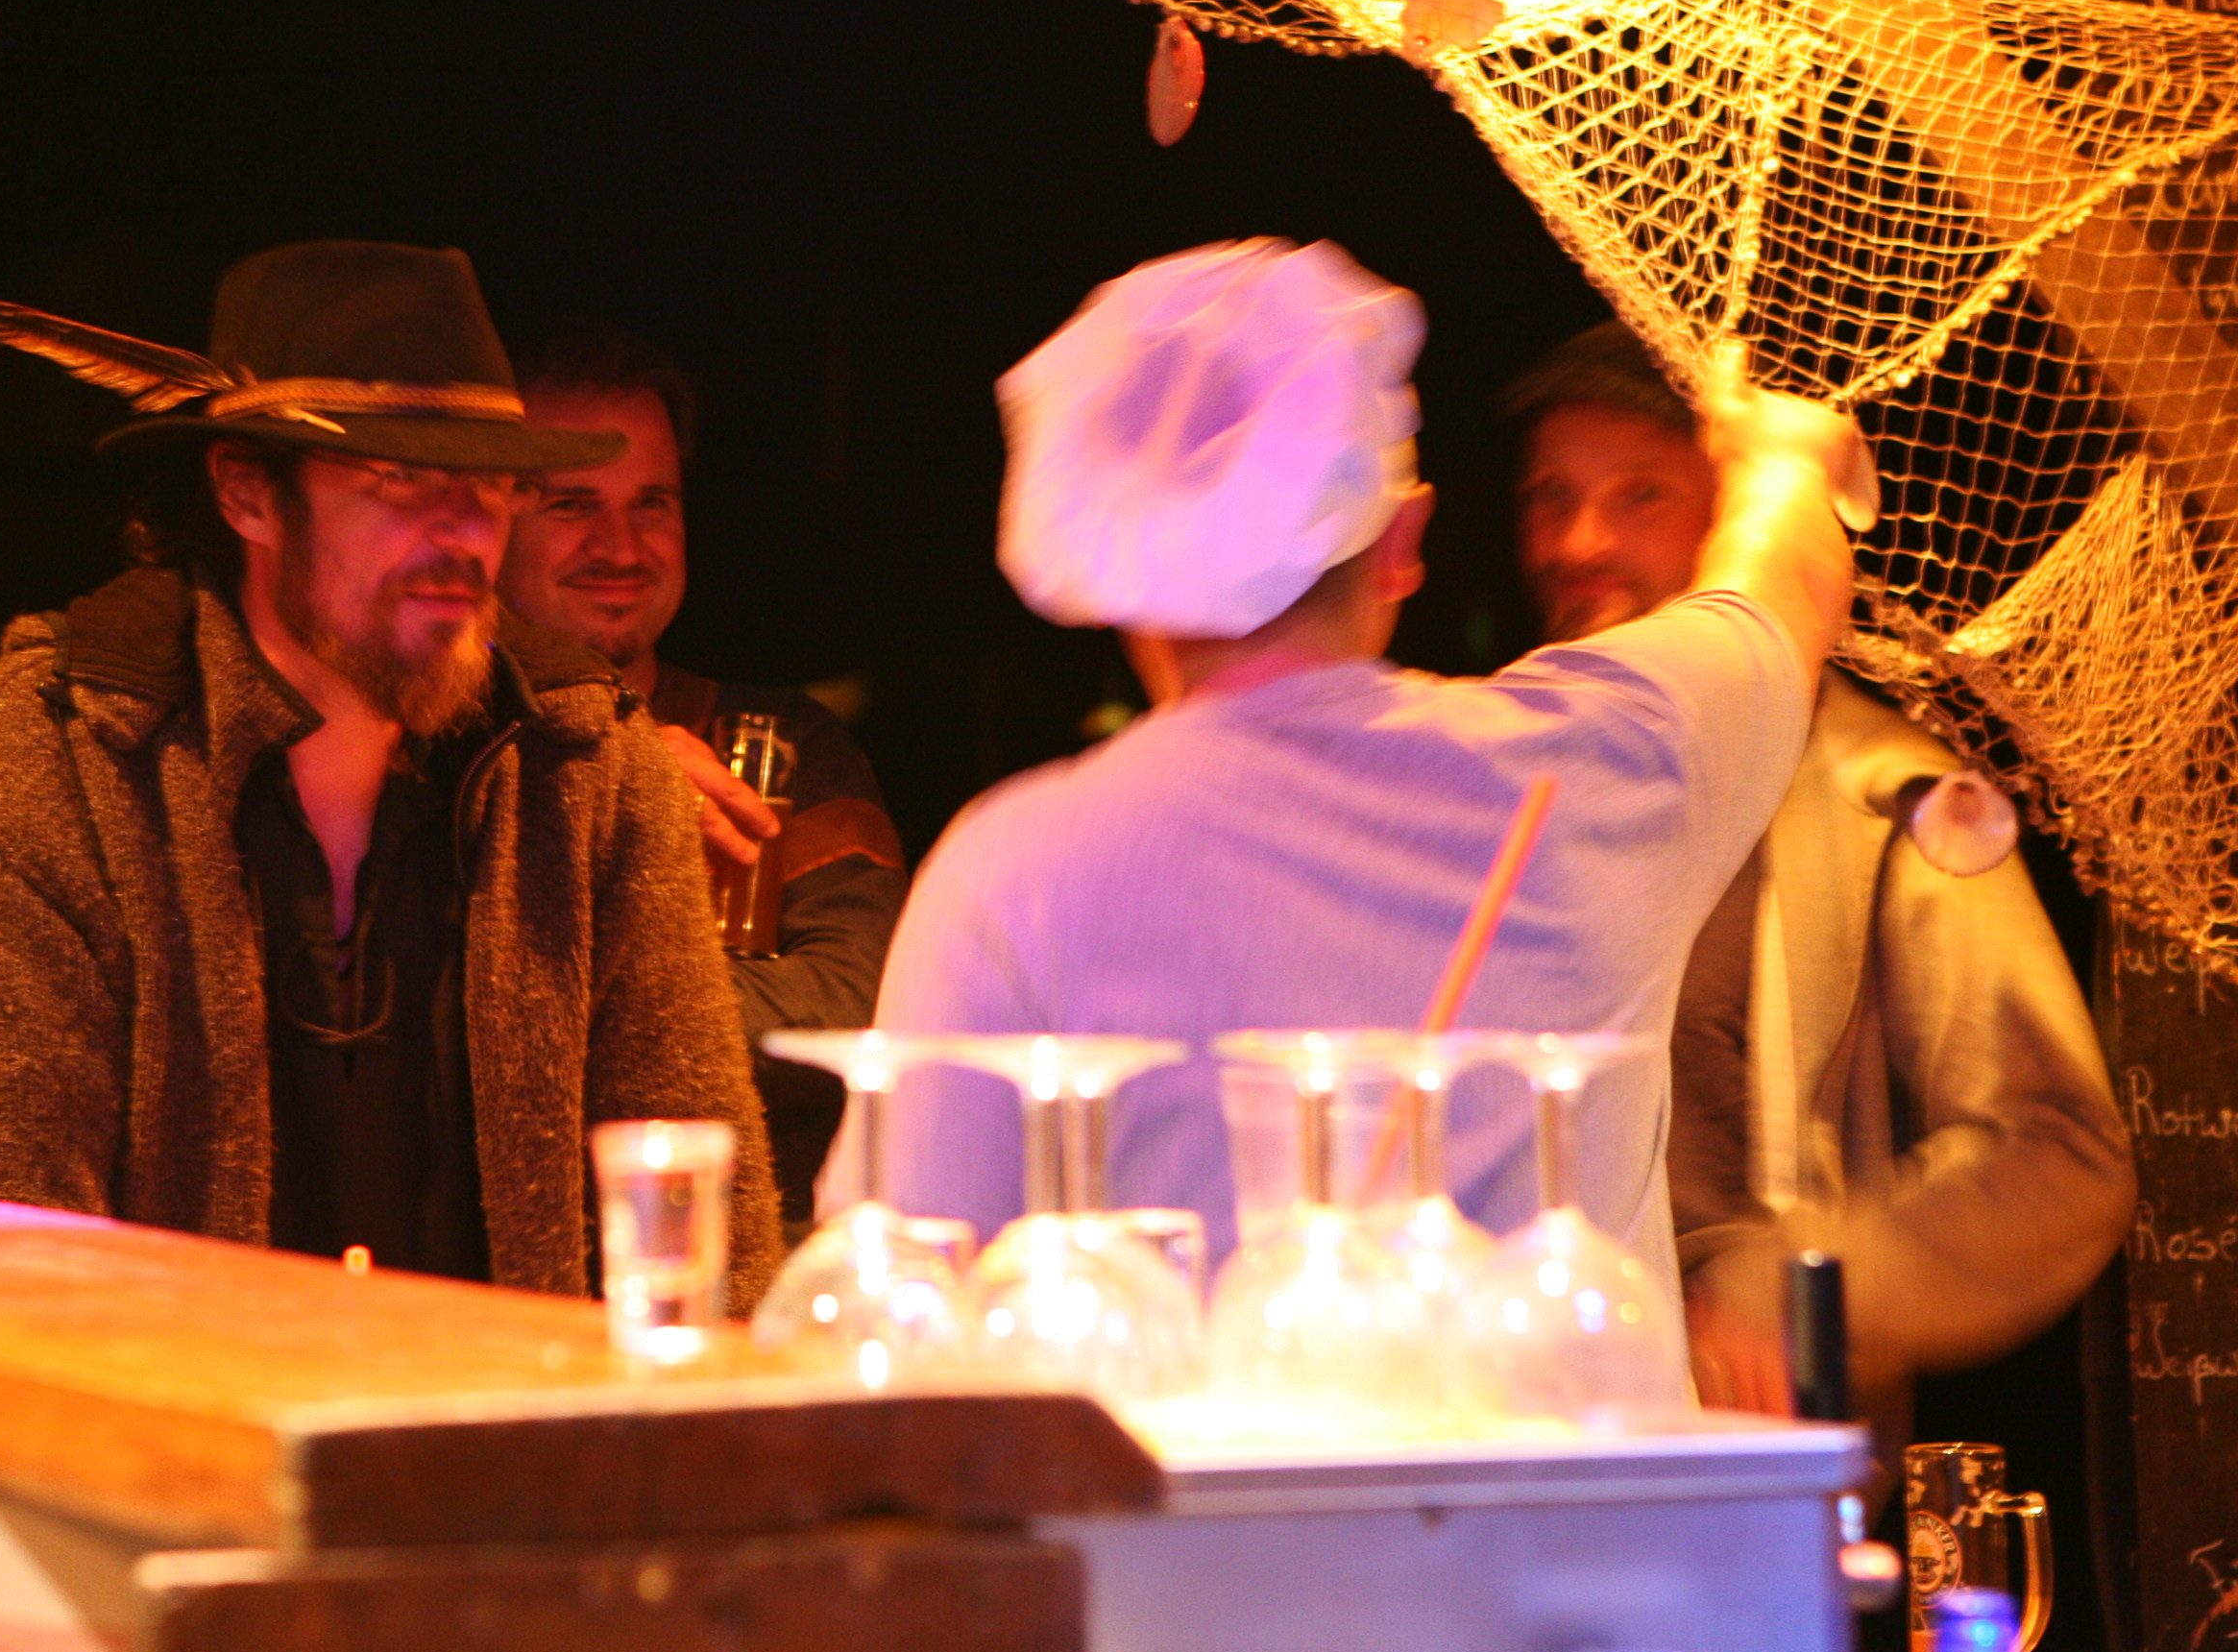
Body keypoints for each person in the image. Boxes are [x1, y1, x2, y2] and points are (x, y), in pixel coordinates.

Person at [876, 241, 1863, 1291]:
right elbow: (1784, 583)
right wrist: (1781, 458)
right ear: (1403, 538)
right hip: (1559, 1408)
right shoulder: (1591, 761)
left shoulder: (1006, 869)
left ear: (1110, 567)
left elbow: (916, 1298)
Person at [0, 241, 782, 1305]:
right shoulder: (57, 757)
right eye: (399, 482)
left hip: (506, 1407)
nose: (465, 536)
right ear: (248, 494)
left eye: (493, 487)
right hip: (159, 1403)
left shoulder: (585, 767)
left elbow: (711, 1236)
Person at [1507, 319, 2130, 1429]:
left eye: (1640, 494)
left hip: (1751, 1474)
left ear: (1737, 515)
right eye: (1553, 496)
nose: (1580, 540)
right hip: (1506, 1450)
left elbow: (2056, 1156)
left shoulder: (1884, 800)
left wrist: (1798, 1290)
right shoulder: (1503, 772)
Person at [498, 321, 905, 1225]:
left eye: (653, 502)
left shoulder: (783, 744)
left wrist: (558, 1009)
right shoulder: (439, 754)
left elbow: (854, 1008)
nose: (622, 546)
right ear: (487, 521)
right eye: (571, 505)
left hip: (747, 1250)